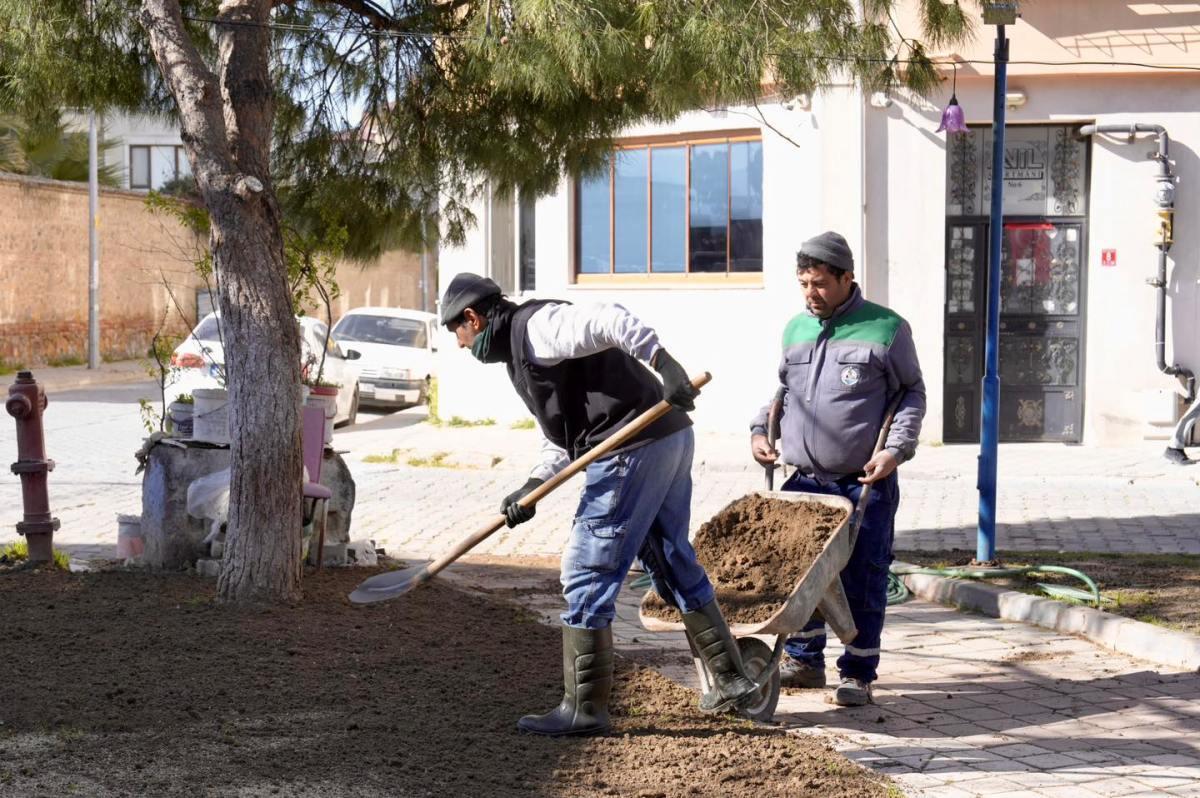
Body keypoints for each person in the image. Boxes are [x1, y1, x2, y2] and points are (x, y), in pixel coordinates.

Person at [439, 273, 758, 736]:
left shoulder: (537, 326)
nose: (460, 345)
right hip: (666, 439)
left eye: (458, 332)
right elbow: (563, 439)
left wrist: (664, 363)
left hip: (633, 448)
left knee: (587, 569)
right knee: (668, 555)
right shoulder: (522, 356)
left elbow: (609, 319)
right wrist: (532, 487)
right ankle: (730, 679)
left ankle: (583, 709)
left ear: (473, 317)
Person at [749, 232, 926, 707]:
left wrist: (896, 450)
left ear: (847, 278)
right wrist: (760, 432)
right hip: (804, 479)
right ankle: (804, 661)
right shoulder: (795, 330)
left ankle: (858, 671)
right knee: (799, 574)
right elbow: (781, 392)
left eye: (821, 282)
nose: (811, 293)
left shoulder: (887, 329)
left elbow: (911, 393)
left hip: (863, 481)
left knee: (862, 577)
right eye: (804, 283)